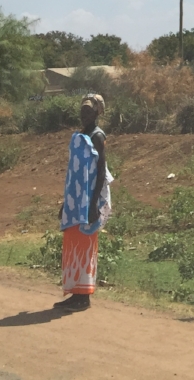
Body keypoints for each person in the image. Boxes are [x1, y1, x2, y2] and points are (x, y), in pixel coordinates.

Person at [54, 94, 113, 312]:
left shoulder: (97, 136)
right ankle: (75, 294)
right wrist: (65, 202)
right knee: (73, 243)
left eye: (89, 111)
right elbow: (74, 173)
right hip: (75, 199)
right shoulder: (80, 135)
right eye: (82, 110)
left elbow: (100, 172)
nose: (84, 114)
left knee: (85, 246)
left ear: (98, 113)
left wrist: (93, 205)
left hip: (88, 200)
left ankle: (84, 297)